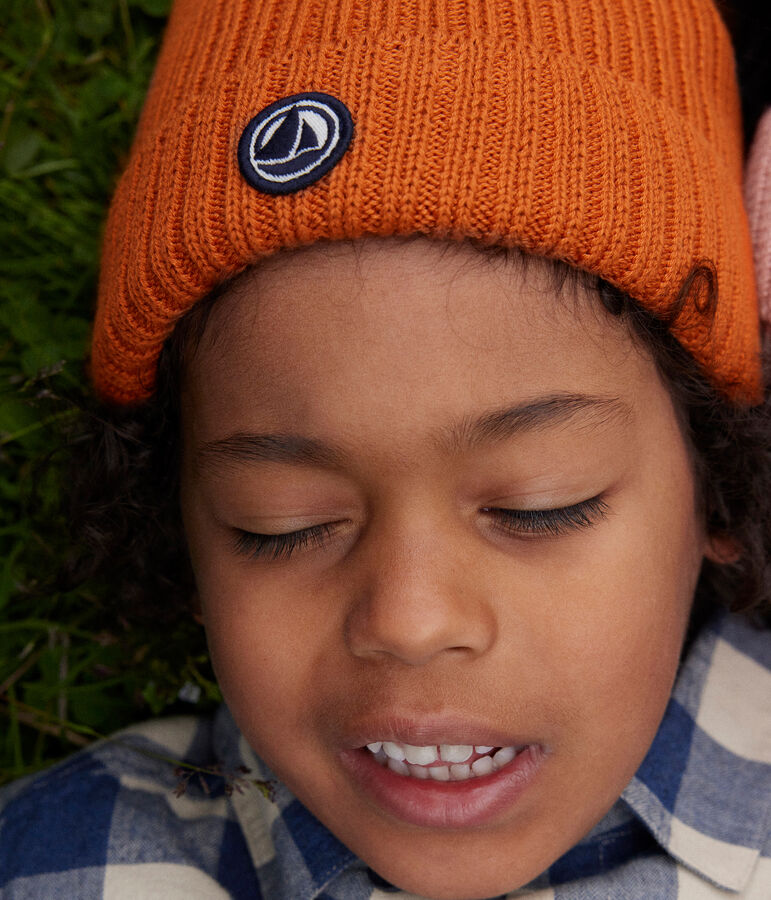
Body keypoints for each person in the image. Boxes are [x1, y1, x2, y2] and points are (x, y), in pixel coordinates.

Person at [1, 0, 769, 897]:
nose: (409, 621)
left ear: (718, 488)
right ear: (175, 523)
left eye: (537, 505)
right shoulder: (47, 867)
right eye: (280, 523)